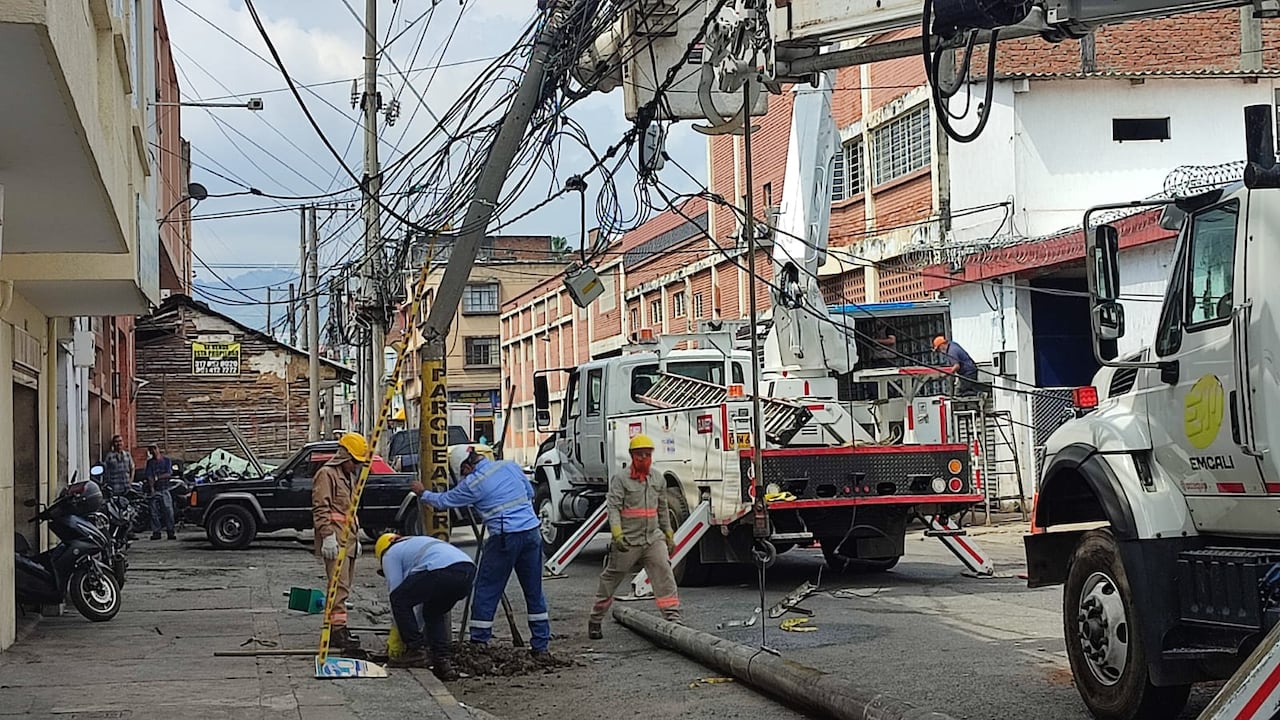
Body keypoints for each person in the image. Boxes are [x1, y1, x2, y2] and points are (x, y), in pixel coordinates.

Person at [411, 445, 551, 659]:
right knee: (534, 592)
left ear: (467, 466)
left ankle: (479, 641)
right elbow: (530, 492)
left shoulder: (473, 484)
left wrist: (422, 492)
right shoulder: (509, 465)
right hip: (532, 532)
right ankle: (541, 645)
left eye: (462, 472)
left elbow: (444, 501)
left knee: (487, 588)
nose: (463, 476)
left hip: (505, 537)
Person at [587, 434, 680, 640]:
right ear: (632, 456)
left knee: (664, 573)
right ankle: (595, 619)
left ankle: (673, 618)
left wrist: (668, 533)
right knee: (611, 578)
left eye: (647, 455)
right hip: (628, 541)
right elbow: (613, 508)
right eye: (640, 455)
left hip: (652, 539)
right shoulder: (620, 480)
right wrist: (617, 534)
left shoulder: (657, 478)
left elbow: (662, 508)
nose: (644, 458)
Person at [376, 533, 476, 679]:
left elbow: (396, 596)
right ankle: (442, 662)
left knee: (399, 599)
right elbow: (417, 613)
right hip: (467, 572)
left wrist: (397, 640)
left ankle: (416, 652)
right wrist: (412, 631)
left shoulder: (390, 554)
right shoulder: (416, 545)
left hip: (441, 570)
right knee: (433, 612)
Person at [313, 432, 370, 653]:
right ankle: (336, 631)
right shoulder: (326, 474)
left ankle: (340, 627)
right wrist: (327, 535)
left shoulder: (348, 476)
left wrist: (356, 535)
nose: (356, 465)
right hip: (335, 540)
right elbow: (321, 507)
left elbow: (349, 509)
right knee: (338, 586)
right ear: (344, 456)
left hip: (348, 539)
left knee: (344, 587)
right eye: (354, 461)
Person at [145, 444, 176, 540]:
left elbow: (169, 473)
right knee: (154, 512)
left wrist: (157, 477)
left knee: (168, 511)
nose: (153, 451)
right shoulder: (150, 463)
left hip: (165, 488)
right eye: (151, 449)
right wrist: (152, 489)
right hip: (156, 489)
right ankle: (156, 532)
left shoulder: (166, 461)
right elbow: (149, 476)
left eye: (154, 448)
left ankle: (170, 531)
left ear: (158, 449)